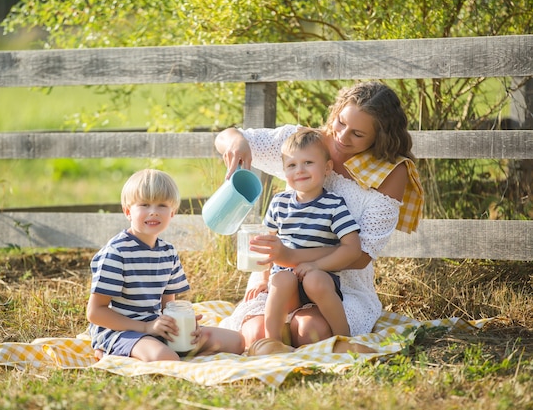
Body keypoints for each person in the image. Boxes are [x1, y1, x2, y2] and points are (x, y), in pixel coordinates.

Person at [216, 81, 424, 352]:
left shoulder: (389, 173)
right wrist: (237, 142)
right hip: (280, 276)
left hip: (338, 283)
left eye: (358, 134)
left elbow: (360, 256)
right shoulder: (307, 143)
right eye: (340, 122)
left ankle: (331, 342)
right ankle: (276, 344)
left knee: (309, 333)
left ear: (379, 137)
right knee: (255, 336)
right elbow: (229, 136)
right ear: (336, 111)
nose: (342, 137)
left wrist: (289, 255)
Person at [87, 169, 245, 362]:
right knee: (165, 357)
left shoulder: (168, 252)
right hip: (120, 330)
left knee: (236, 341)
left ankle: (165, 350)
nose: (153, 211)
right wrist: (145, 328)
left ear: (172, 213)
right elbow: (95, 312)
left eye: (161, 205)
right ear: (128, 211)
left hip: (156, 328)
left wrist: (183, 325)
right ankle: (111, 350)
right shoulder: (116, 252)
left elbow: (168, 306)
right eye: (144, 204)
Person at [259, 128, 362, 345]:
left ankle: (344, 340)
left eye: (308, 162)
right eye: (292, 165)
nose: (300, 170)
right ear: (284, 170)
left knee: (314, 280)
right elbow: (267, 245)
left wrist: (316, 265)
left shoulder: (334, 205)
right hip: (286, 283)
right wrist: (263, 278)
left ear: (327, 168)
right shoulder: (279, 202)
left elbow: (352, 249)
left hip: (319, 283)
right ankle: (272, 343)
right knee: (281, 279)